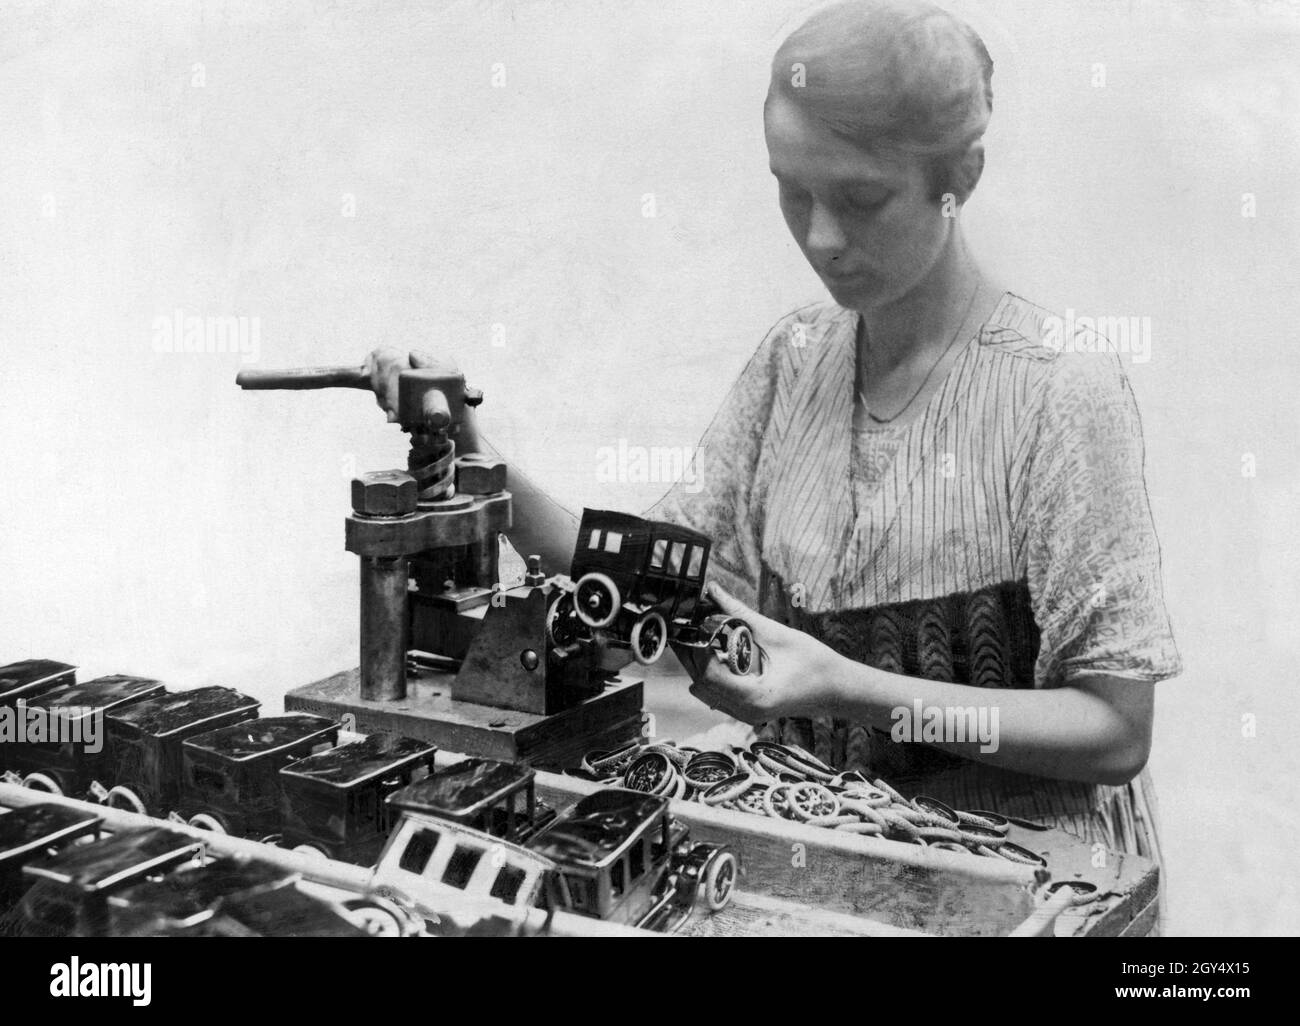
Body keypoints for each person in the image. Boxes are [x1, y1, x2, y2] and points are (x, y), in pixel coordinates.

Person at [368, 0, 1180, 923]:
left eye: (862, 197)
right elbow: (637, 582)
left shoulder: (1059, 393)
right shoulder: (795, 363)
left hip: (1029, 884)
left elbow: (1115, 731)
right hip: (826, 859)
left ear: (960, 179)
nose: (822, 235)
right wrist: (479, 463)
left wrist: (848, 689)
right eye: (793, 191)